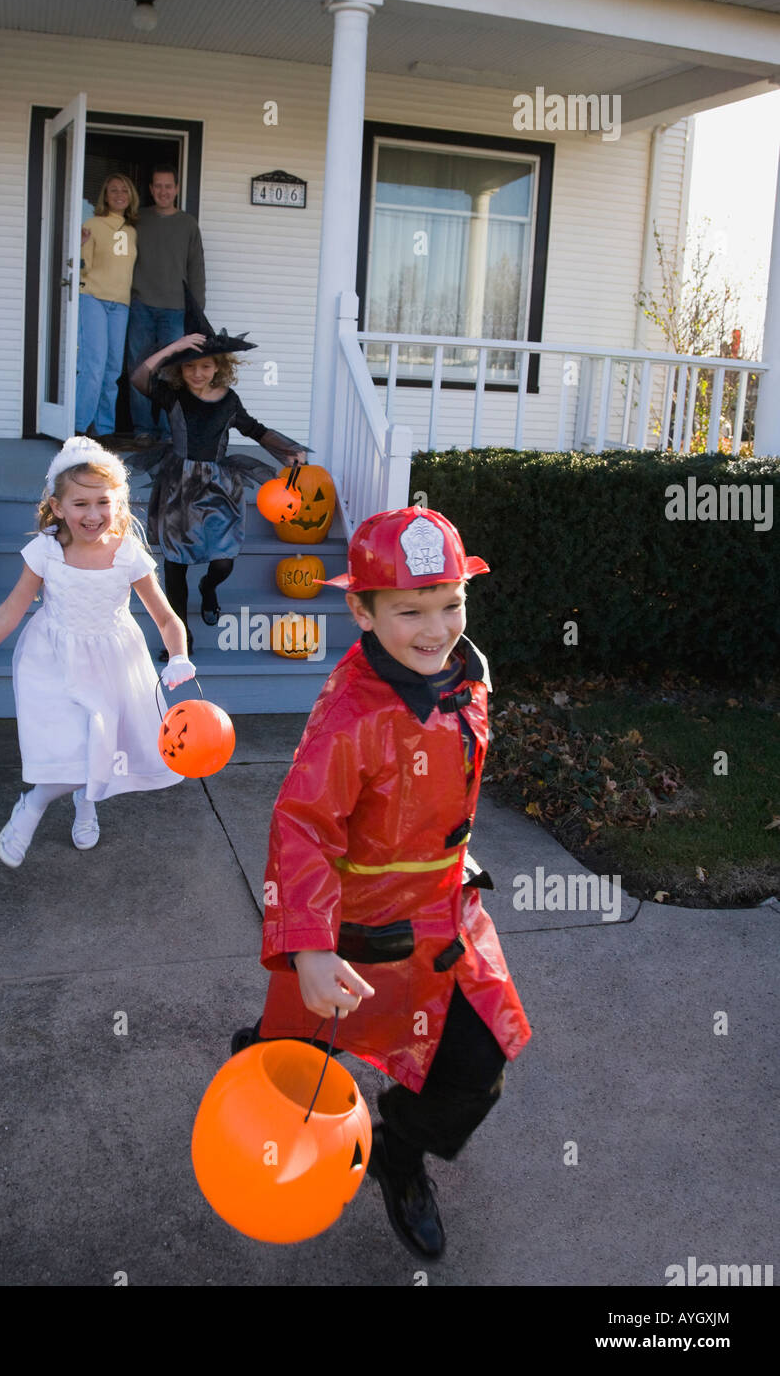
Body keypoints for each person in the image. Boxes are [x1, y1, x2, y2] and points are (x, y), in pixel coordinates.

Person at [239, 506, 532, 1261]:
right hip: (363, 927)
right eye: (409, 611)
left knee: (476, 1070)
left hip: (442, 919)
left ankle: (395, 1153)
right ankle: (266, 1046)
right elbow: (301, 828)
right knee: (297, 1060)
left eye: (449, 604)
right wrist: (306, 945)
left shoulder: (463, 675)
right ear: (360, 610)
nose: (435, 629)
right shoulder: (348, 720)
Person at [0, 439, 195, 867]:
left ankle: (84, 804)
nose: (93, 515)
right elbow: (7, 613)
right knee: (69, 745)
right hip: (52, 656)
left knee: (98, 745)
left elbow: (167, 619)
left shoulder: (128, 555)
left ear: (118, 503)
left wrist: (178, 656)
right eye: (80, 504)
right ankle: (33, 807)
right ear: (58, 507)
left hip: (113, 659)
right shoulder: (46, 550)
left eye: (103, 502)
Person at [130, 288, 308, 660]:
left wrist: (289, 451)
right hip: (178, 486)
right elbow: (140, 377)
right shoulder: (173, 396)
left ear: (220, 367)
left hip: (219, 487)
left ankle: (210, 589)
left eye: (206, 366)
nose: (198, 373)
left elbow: (255, 430)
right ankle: (181, 642)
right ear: (181, 368)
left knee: (223, 559)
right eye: (190, 365)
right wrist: (174, 346)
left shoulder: (228, 400)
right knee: (175, 566)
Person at [126, 166, 206, 446]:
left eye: (168, 186)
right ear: (150, 189)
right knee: (139, 368)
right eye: (158, 186)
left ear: (176, 189)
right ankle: (143, 429)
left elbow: (196, 269)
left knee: (171, 371)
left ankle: (169, 429)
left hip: (175, 309)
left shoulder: (187, 224)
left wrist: (196, 312)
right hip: (141, 305)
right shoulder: (138, 220)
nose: (163, 191)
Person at [75, 173, 138, 439]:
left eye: (124, 190)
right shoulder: (93, 224)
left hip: (120, 304)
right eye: (113, 190)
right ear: (105, 195)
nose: (119, 194)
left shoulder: (132, 231)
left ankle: (104, 432)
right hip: (94, 299)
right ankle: (78, 428)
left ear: (131, 196)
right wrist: (76, 247)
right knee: (94, 366)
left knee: (112, 370)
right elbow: (80, 266)